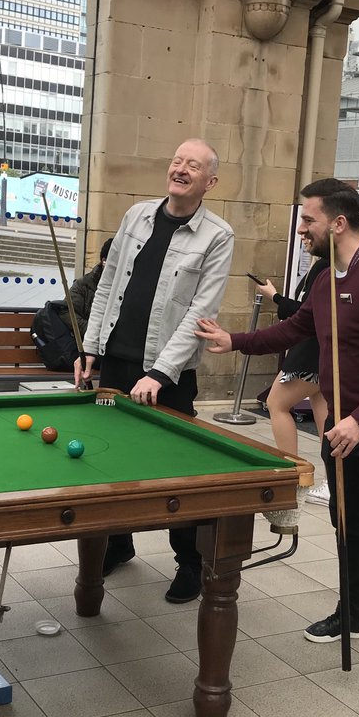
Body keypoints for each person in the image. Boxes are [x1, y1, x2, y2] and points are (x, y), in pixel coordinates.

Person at [197, 177, 359, 697]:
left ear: (338, 222)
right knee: (348, 522)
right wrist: (235, 341)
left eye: (309, 219)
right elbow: (296, 329)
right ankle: (355, 614)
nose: (302, 228)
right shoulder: (326, 278)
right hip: (343, 423)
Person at [75, 138, 234, 602]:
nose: (181, 169)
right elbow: (107, 284)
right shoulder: (137, 216)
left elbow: (200, 313)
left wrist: (161, 373)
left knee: (177, 474)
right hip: (117, 363)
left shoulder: (217, 236)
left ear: (210, 181)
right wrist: (91, 348)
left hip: (168, 374)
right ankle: (118, 544)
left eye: (194, 165)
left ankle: (190, 562)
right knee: (109, 461)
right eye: (177, 160)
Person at [256, 248, 331, 506]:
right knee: (326, 417)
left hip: (310, 351)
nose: (303, 231)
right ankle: (333, 481)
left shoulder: (324, 267)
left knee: (277, 404)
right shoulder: (332, 266)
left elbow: (304, 314)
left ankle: (292, 476)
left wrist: (275, 296)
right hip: (322, 351)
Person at [59, 238, 113, 341]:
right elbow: (67, 312)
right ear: (104, 261)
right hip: (89, 345)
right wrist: (93, 332)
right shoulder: (84, 284)